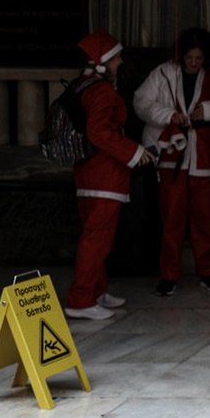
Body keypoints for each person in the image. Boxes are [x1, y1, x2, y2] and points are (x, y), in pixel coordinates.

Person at [133, 27, 210, 297]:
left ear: (206, 58)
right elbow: (140, 102)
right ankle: (169, 274)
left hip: (207, 157)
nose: (193, 63)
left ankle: (208, 272)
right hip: (171, 157)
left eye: (198, 59)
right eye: (189, 58)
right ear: (181, 56)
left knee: (206, 219)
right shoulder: (163, 73)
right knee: (171, 218)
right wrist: (168, 115)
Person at [67, 30, 151, 320]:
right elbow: (99, 132)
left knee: (95, 235)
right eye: (116, 58)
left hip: (88, 172)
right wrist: (135, 152)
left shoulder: (82, 85)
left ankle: (95, 291)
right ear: (102, 62)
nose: (120, 62)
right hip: (105, 174)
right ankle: (80, 299)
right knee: (97, 239)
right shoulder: (102, 90)